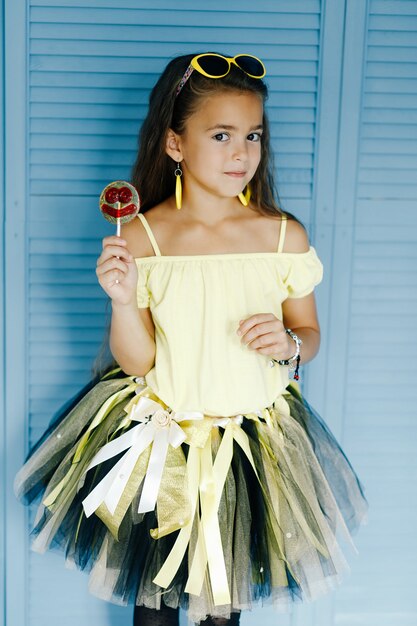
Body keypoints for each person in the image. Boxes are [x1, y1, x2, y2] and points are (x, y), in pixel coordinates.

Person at [14, 52, 368, 626]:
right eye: (222, 134)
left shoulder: (281, 235)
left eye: (252, 135)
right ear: (175, 145)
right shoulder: (144, 236)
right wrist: (124, 299)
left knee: (220, 608)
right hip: (165, 448)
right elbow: (139, 360)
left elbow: (309, 332)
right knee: (155, 607)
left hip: (252, 450)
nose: (241, 152)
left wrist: (291, 344)